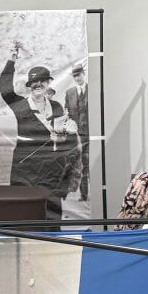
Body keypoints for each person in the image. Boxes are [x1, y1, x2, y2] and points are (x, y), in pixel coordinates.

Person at [1, 42, 80, 220]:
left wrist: (69, 131)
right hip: (25, 170)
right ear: (29, 85)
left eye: (42, 81)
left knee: (51, 218)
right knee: (23, 216)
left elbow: (66, 140)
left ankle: (54, 245)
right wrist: (11, 60)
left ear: (47, 83)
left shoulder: (57, 107)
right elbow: (5, 89)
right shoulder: (20, 105)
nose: (38, 84)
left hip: (52, 171)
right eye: (34, 82)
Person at [65, 64, 89, 200]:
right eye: (74, 76)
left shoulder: (93, 90)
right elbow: (67, 112)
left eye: (79, 75)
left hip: (92, 134)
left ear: (83, 74)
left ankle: (84, 194)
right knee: (75, 163)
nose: (77, 78)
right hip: (76, 135)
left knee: (87, 163)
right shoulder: (69, 93)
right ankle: (73, 189)